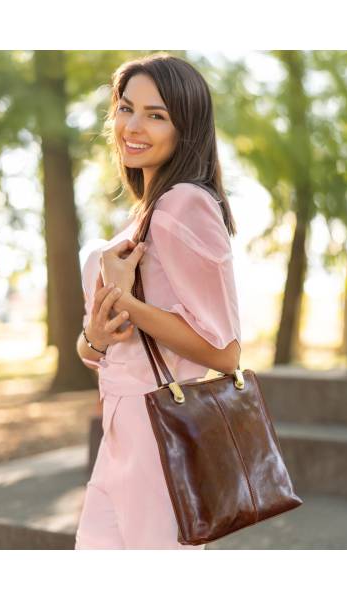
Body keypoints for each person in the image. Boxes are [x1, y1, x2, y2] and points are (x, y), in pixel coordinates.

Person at [74, 52, 241, 550]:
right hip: (120, 434)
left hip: (159, 435)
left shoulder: (185, 202)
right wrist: (95, 337)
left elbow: (225, 352)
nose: (133, 125)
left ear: (185, 128)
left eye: (156, 114)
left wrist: (126, 299)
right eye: (126, 108)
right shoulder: (142, 215)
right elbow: (96, 351)